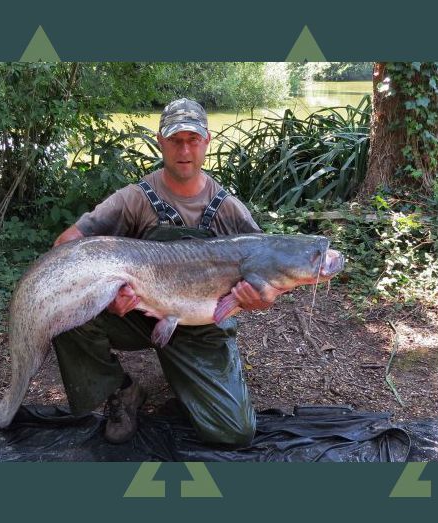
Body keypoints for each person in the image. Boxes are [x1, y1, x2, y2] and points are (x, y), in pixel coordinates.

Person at [51, 98, 273, 447]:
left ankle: (192, 381)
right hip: (141, 313)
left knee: (236, 432)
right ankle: (122, 391)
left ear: (207, 141)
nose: (184, 149)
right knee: (62, 307)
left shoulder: (229, 209)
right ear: (160, 142)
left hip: (203, 326)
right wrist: (108, 295)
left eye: (193, 139)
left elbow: (266, 268)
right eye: (175, 140)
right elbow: (66, 246)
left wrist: (260, 300)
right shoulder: (135, 199)